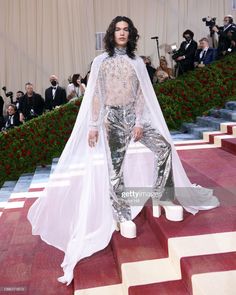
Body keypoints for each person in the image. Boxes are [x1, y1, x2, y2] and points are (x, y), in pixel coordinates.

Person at [27, 16, 219, 286]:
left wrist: (140, 122)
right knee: (115, 167)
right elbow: (95, 95)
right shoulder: (100, 61)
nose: (121, 33)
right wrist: (94, 125)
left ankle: (163, 198)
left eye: (125, 29)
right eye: (117, 29)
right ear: (111, 33)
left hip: (135, 118)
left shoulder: (137, 62)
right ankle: (121, 215)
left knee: (164, 148)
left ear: (131, 33)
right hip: (111, 119)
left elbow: (142, 94)